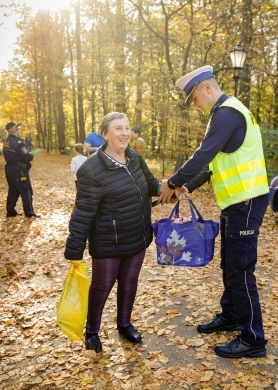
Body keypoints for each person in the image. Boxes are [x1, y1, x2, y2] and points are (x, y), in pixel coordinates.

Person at [159, 65, 269, 359]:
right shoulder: (228, 112)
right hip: (236, 203)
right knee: (229, 266)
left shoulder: (226, 113)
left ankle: (252, 339)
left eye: (194, 96)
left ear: (207, 88)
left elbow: (203, 154)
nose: (194, 104)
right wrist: (186, 188)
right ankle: (231, 315)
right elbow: (212, 165)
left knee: (240, 271)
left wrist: (172, 183)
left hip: (245, 202)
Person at [64, 112, 168, 353]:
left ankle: (124, 324)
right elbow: (83, 212)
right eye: (118, 128)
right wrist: (74, 249)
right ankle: (92, 331)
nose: (124, 133)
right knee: (102, 286)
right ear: (105, 134)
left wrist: (173, 186)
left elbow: (153, 185)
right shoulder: (91, 170)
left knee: (130, 282)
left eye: (127, 128)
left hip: (137, 235)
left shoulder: (135, 158)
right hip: (108, 241)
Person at [3, 122, 40, 218]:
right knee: (26, 190)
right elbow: (27, 157)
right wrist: (31, 155)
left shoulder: (6, 141)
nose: (19, 131)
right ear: (14, 131)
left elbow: (14, 154)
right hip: (19, 169)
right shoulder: (19, 143)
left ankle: (10, 211)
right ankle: (29, 213)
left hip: (9, 169)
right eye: (18, 129)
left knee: (13, 190)